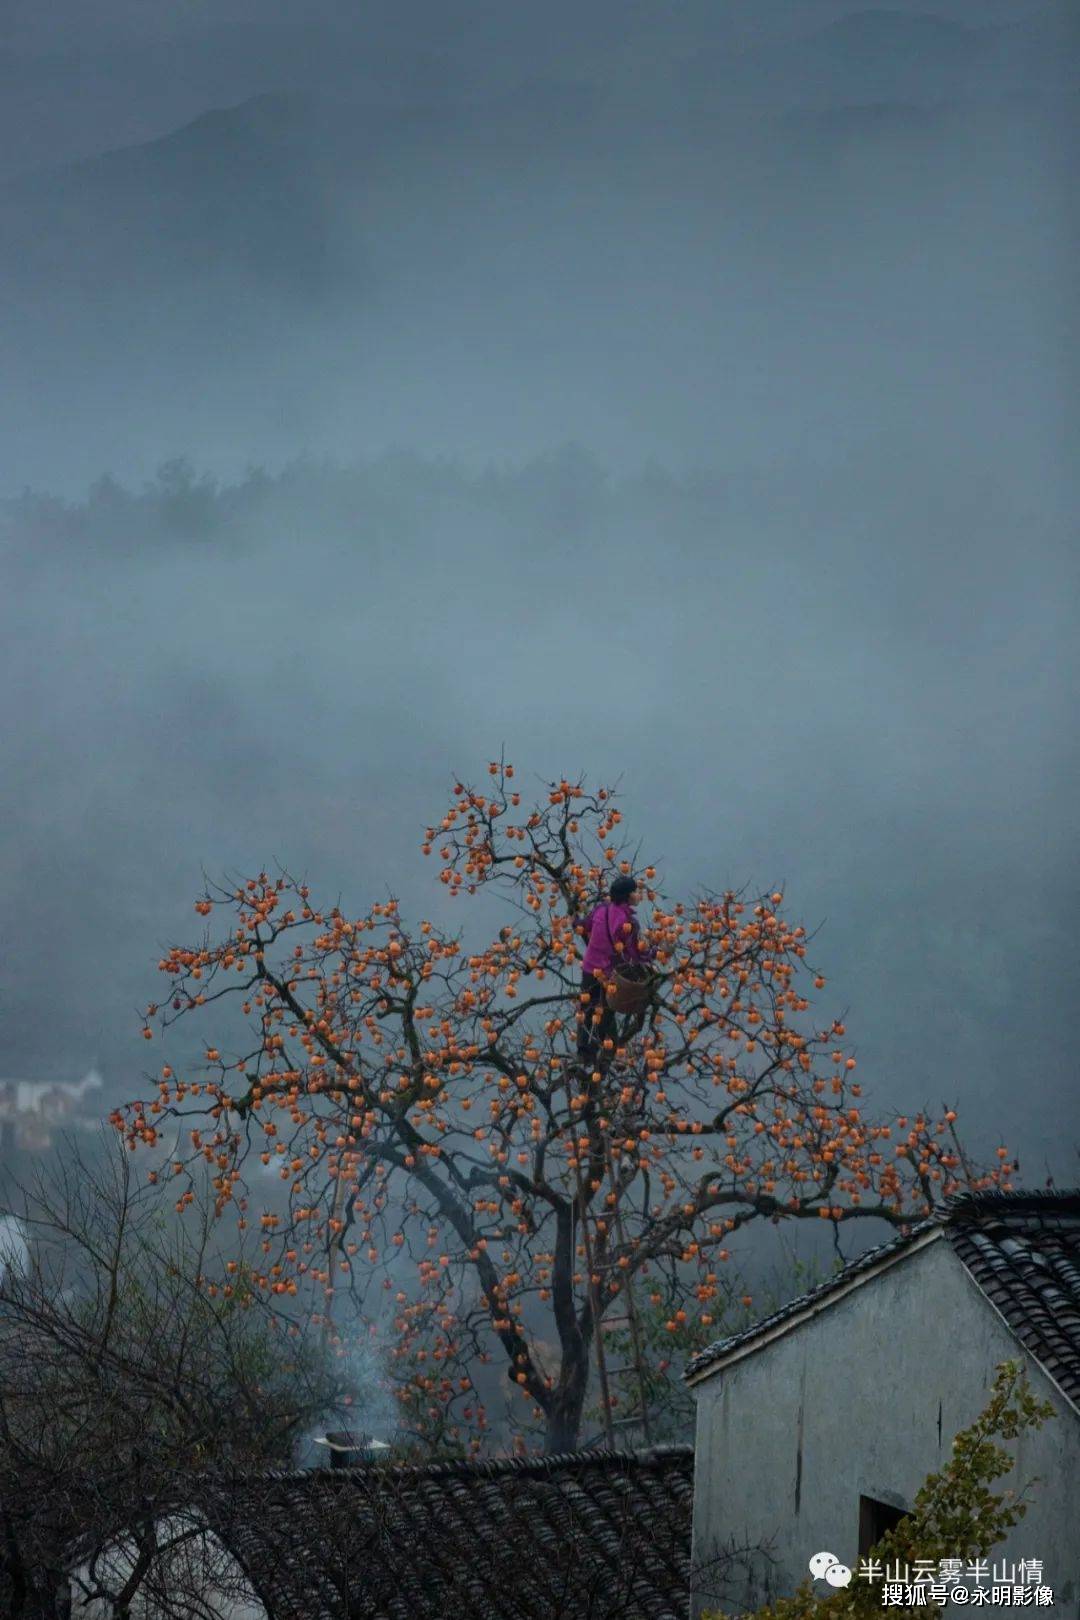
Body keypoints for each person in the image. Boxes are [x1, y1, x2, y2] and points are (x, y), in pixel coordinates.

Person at [576, 874, 654, 1066]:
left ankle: (583, 1051)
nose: (638, 895)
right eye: (635, 891)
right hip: (609, 974)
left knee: (586, 1009)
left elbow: (584, 926)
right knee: (605, 1012)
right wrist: (653, 953)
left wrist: (574, 918)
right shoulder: (629, 924)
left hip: (589, 967)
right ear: (628, 896)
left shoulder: (601, 909)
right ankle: (596, 1053)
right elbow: (633, 954)